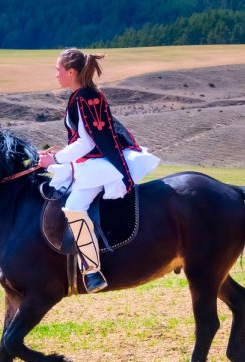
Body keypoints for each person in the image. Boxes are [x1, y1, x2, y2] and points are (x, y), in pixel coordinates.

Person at [39, 48, 160, 293]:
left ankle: (93, 271)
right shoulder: (90, 94)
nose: (56, 74)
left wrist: (55, 160)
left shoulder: (80, 98)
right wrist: (62, 152)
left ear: (71, 72)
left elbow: (87, 142)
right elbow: (88, 136)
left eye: (58, 70)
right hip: (101, 158)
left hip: (99, 164)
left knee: (73, 207)